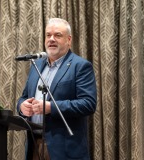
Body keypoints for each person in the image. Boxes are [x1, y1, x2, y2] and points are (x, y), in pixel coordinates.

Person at [17, 18, 97, 160]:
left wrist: (51, 107)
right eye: (48, 35)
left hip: (64, 150)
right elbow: (23, 97)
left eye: (57, 35)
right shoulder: (36, 66)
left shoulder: (80, 66)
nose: (51, 39)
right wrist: (22, 107)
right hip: (34, 145)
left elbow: (88, 104)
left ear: (69, 39)